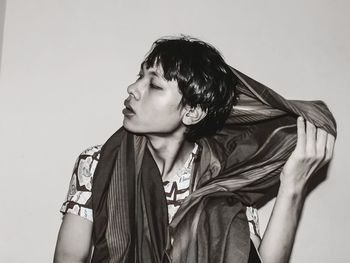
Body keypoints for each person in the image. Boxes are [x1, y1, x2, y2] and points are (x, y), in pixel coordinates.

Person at [54, 36, 336, 263]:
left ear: (192, 112)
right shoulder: (97, 163)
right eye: (139, 76)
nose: (133, 88)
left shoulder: (221, 178)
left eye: (153, 84)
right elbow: (69, 257)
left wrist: (292, 188)